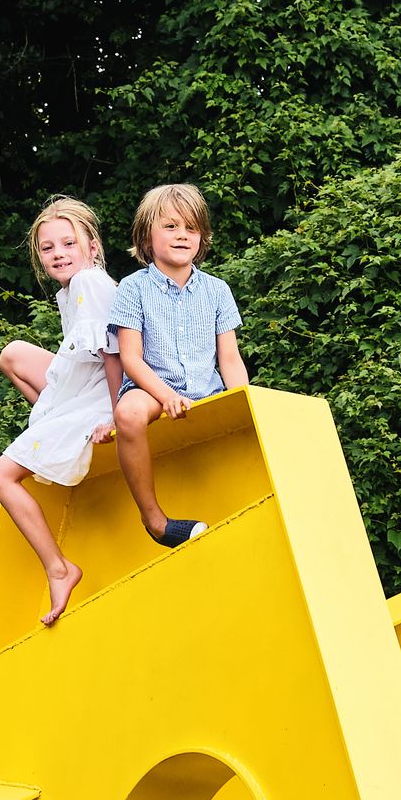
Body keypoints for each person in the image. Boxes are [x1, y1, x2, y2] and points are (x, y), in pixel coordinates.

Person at [0, 198, 123, 626]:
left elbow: (114, 350)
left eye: (69, 243)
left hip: (105, 394)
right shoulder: (73, 290)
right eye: (48, 248)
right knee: (13, 355)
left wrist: (118, 417)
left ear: (93, 247)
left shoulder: (89, 283)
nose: (59, 253)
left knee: (0, 476)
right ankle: (52, 434)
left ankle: (60, 569)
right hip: (82, 386)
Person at [110, 182, 248, 546]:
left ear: (202, 237)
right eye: (170, 227)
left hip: (207, 390)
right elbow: (130, 358)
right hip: (153, 390)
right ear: (146, 237)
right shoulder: (132, 288)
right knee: (128, 413)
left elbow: (229, 358)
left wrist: (243, 401)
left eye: (191, 228)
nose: (182, 235)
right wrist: (166, 394)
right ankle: (155, 520)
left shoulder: (217, 290)